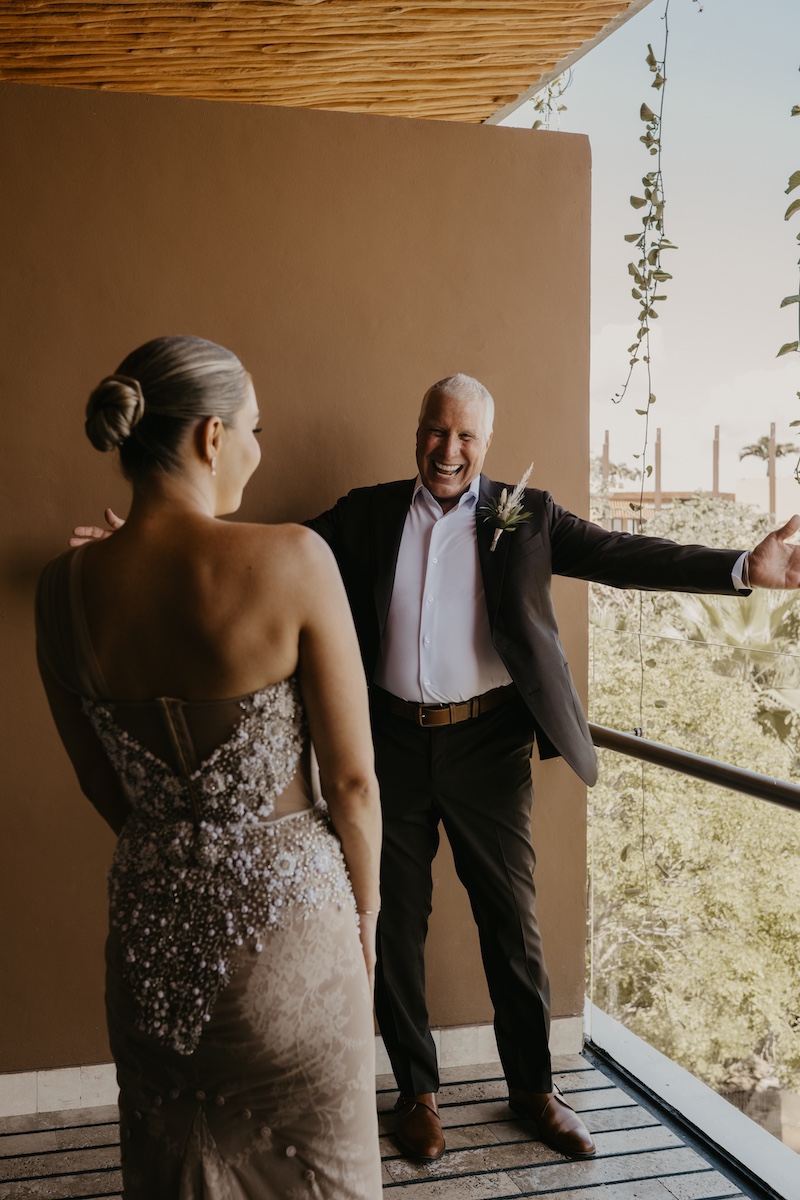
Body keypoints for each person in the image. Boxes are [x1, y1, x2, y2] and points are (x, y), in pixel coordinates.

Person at [72, 371, 800, 1167]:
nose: (447, 449)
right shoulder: (365, 514)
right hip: (387, 744)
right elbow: (259, 550)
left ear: (486, 445)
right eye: (435, 430)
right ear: (417, 429)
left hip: (488, 746)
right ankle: (417, 1093)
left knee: (512, 926)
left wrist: (741, 569)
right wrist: (150, 537)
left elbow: (627, 556)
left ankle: (533, 1089)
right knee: (393, 921)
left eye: (465, 437)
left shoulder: (528, 518)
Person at [41, 335, 383, 1199]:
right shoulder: (296, 559)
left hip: (152, 950)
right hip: (293, 944)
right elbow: (353, 783)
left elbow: (96, 780)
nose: (261, 452)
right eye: (255, 428)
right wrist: (368, 916)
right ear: (210, 437)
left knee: (177, 1171)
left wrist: (177, 855)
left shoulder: (62, 589)